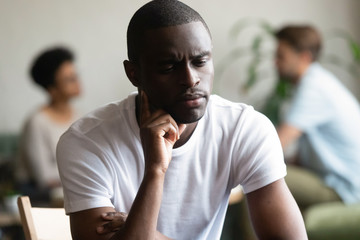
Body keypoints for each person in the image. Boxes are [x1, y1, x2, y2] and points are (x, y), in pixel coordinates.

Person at [56, 1, 307, 239]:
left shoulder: (243, 128)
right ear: (134, 74)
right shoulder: (86, 141)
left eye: (200, 61)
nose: (190, 79)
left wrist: (151, 235)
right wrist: (155, 170)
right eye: (168, 67)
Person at [275, 25, 360, 211]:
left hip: (345, 189)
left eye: (281, 56)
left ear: (304, 57)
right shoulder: (319, 81)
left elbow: (276, 145)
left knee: (260, 177)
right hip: (341, 181)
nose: (275, 62)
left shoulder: (313, 88)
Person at [16, 46, 81, 204]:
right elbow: (44, 177)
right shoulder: (37, 122)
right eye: (69, 79)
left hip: (71, 188)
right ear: (52, 89)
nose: (77, 82)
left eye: (76, 76)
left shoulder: (80, 117)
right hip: (42, 198)